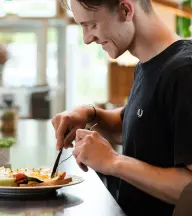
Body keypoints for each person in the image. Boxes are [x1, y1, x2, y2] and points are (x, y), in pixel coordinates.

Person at [52, 0, 192, 215]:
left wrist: (113, 161)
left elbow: (189, 189)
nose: (87, 39)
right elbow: (139, 124)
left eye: (92, 25)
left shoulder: (184, 72)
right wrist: (90, 114)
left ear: (126, 10)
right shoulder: (148, 65)